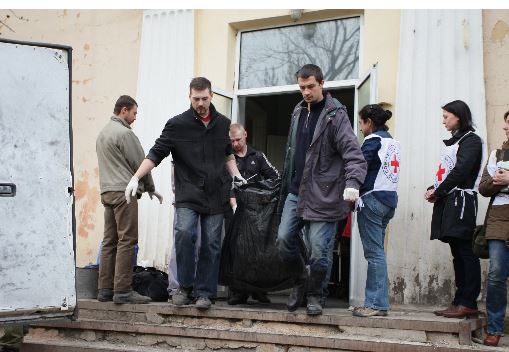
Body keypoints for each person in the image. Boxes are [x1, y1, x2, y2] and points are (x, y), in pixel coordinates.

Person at [125, 77, 245, 310]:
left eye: (204, 98)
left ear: (211, 96)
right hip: (188, 191)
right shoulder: (177, 124)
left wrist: (236, 175)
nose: (200, 103)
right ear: (189, 97)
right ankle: (184, 287)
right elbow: (155, 153)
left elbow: (227, 154)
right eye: (196, 99)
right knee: (184, 235)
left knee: (211, 244)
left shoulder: (223, 124)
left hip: (215, 193)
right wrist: (136, 177)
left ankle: (204, 293)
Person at [276, 64, 367, 316]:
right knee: (283, 240)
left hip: (325, 193)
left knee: (319, 250)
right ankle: (300, 280)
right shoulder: (297, 111)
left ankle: (316, 294)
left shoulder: (335, 115)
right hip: (296, 190)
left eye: (310, 86)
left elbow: (354, 155)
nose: (306, 92)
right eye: (302, 87)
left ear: (322, 84)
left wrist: (352, 183)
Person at [96, 95, 162, 304]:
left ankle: (104, 289)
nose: (134, 118)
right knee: (127, 240)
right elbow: (140, 162)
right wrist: (151, 187)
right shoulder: (125, 134)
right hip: (124, 193)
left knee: (109, 241)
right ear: (124, 110)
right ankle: (123, 290)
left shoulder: (103, 133)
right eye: (134, 113)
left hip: (107, 192)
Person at [424, 100, 482, 318]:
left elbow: (460, 171)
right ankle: (459, 300)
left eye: (446, 116)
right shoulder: (455, 142)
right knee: (457, 252)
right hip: (451, 199)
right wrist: (433, 188)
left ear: (458, 116)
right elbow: (446, 172)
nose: (443, 121)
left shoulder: (472, 141)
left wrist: (438, 192)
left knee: (466, 250)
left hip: (462, 201)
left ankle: (468, 301)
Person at [352, 104, 400, 317]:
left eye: (361, 123)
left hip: (371, 199)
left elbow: (358, 167)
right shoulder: (393, 142)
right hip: (389, 201)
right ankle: (376, 302)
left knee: (374, 254)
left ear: (369, 122)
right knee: (378, 252)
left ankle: (375, 304)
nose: (361, 128)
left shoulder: (372, 140)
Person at [227, 123, 280, 305]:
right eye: (232, 141)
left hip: (256, 213)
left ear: (246, 135)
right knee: (237, 252)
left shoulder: (258, 157)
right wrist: (232, 200)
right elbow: (224, 182)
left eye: (238, 140)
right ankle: (237, 292)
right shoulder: (228, 158)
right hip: (234, 210)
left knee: (259, 253)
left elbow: (275, 177)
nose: (235, 144)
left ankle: (259, 291)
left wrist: (260, 192)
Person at [478, 110, 509, 347]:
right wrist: (497, 181)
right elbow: (484, 186)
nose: (506, 129)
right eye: (506, 124)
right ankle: (495, 328)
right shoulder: (496, 154)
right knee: (497, 273)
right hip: (499, 218)